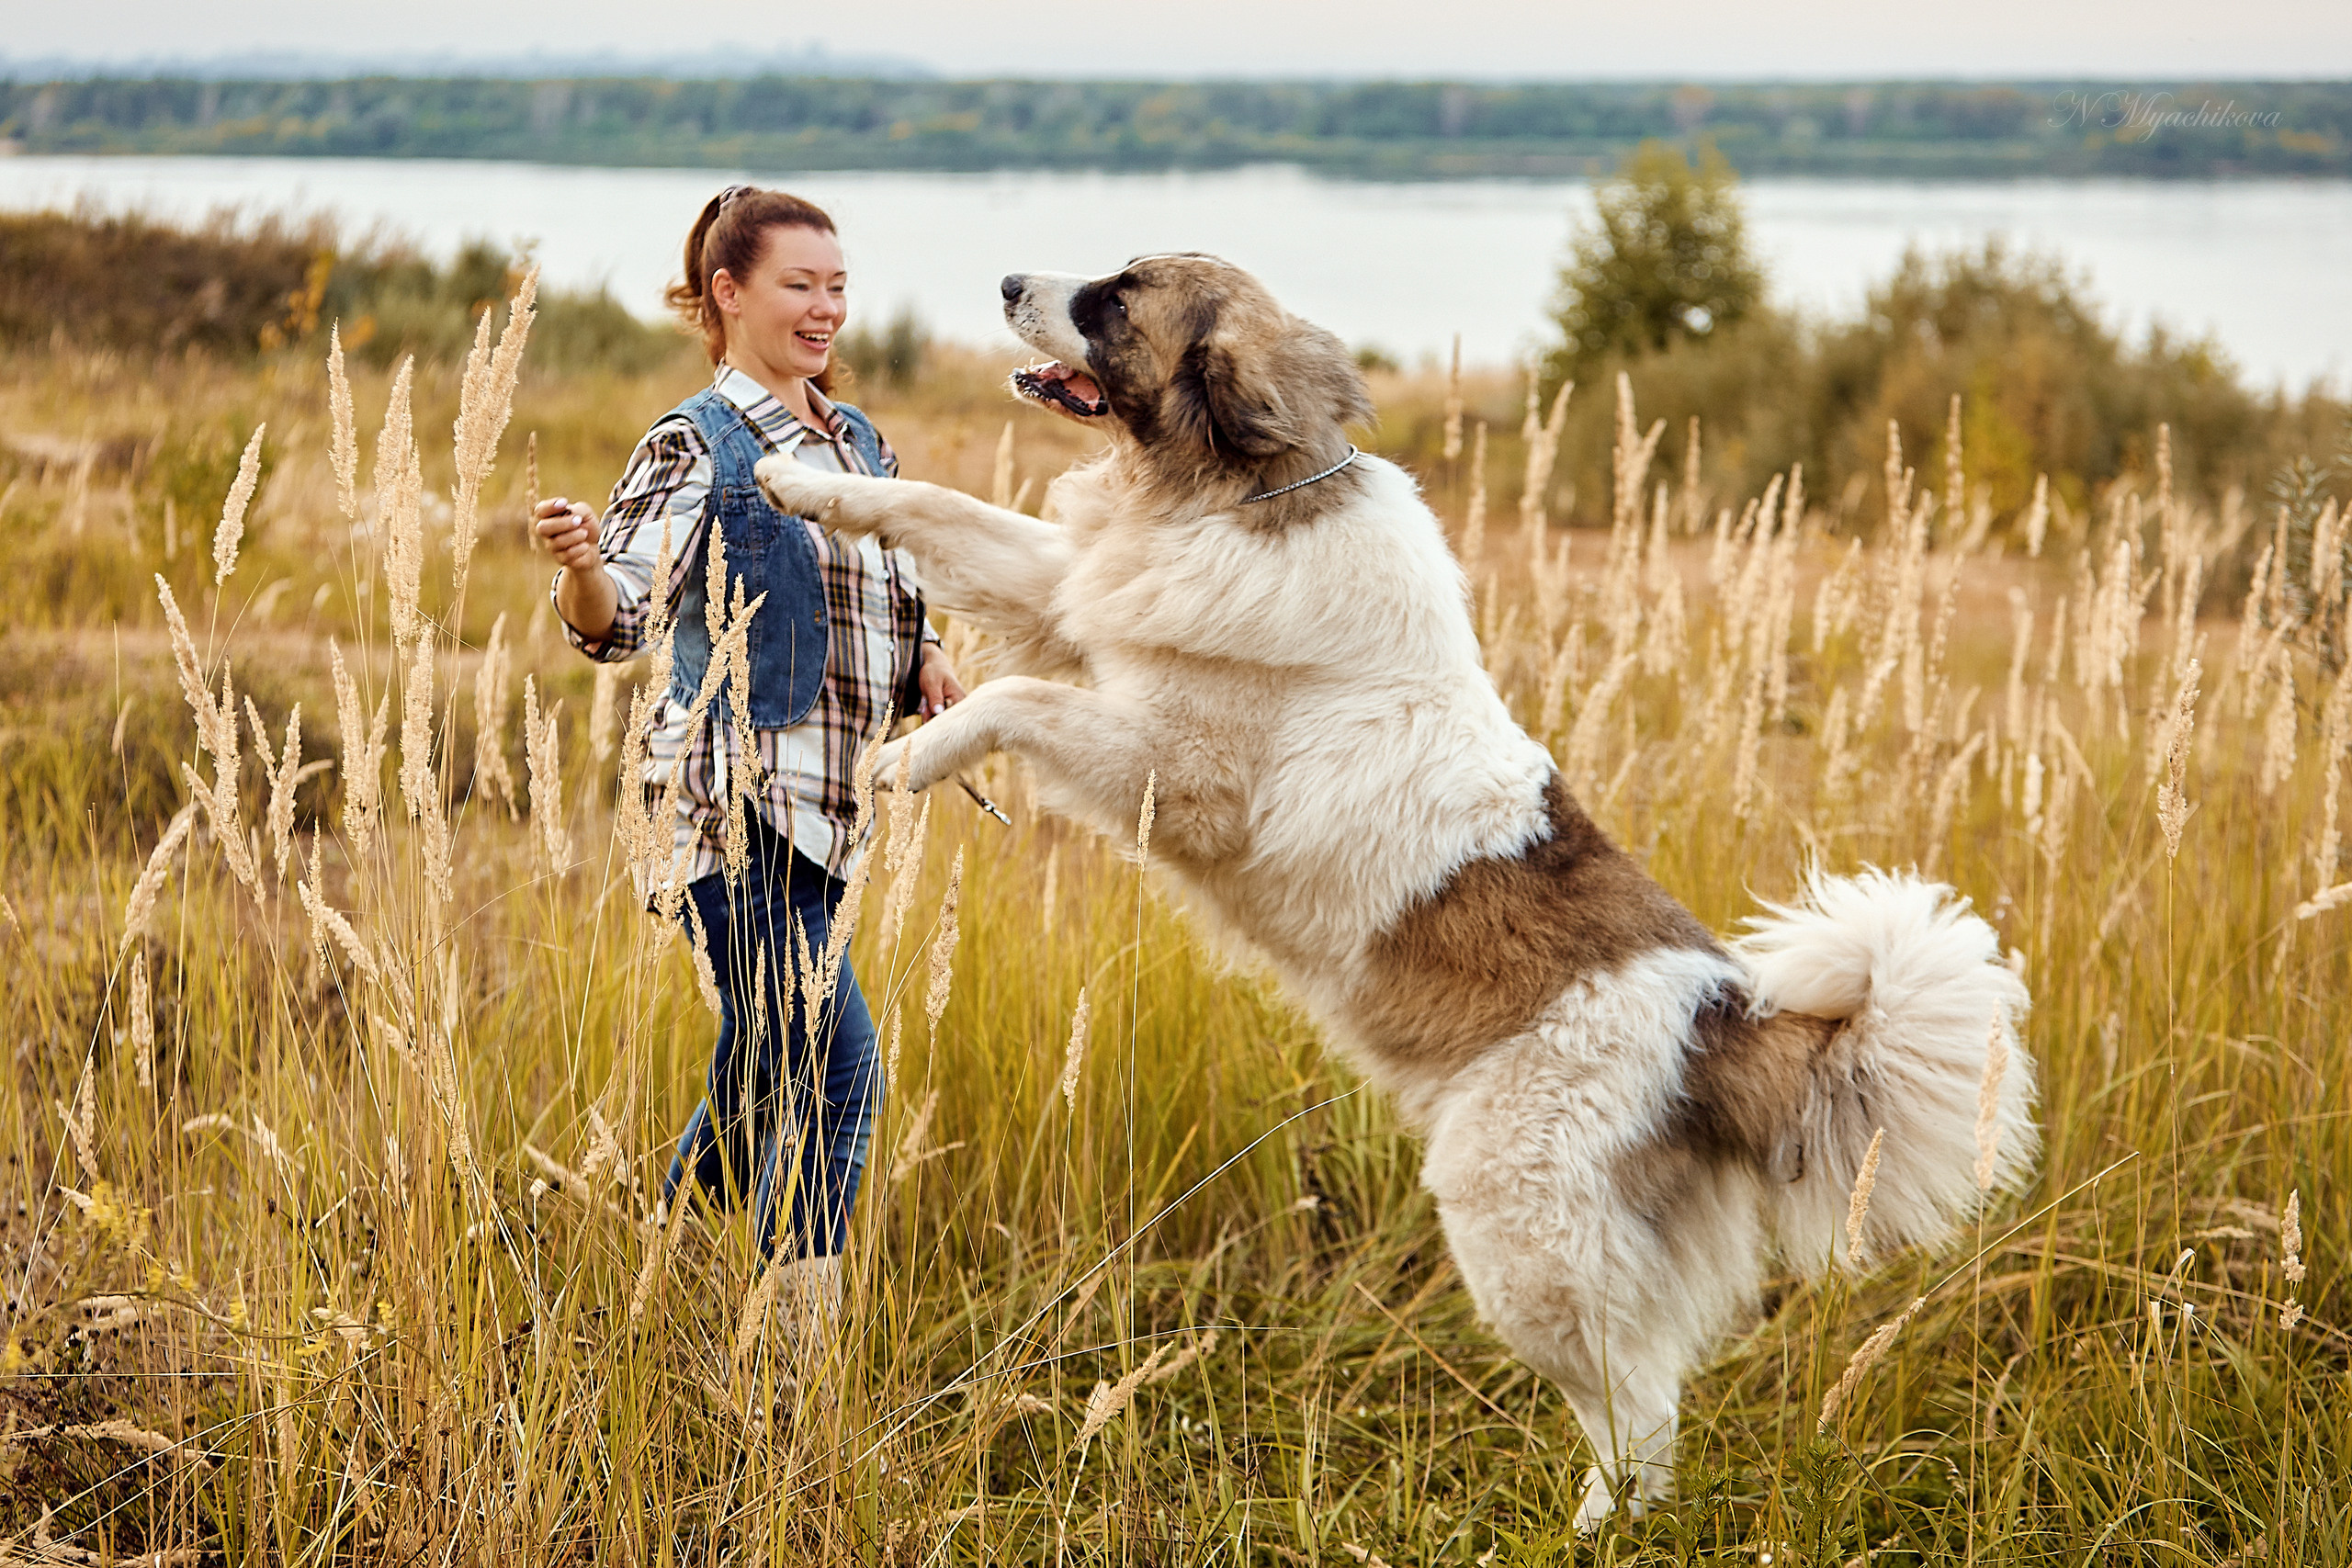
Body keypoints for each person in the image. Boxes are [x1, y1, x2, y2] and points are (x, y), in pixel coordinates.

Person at [531, 186, 964, 1317]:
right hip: (732, 808)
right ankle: (785, 1369)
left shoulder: (858, 441)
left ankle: (633, 1269)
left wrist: (925, 659)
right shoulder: (698, 444)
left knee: (763, 1068)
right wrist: (581, 562)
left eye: (836, 286)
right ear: (728, 294)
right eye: (798, 285)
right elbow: (617, 617)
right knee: (838, 1070)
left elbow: (888, 589)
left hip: (827, 811)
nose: (825, 308)